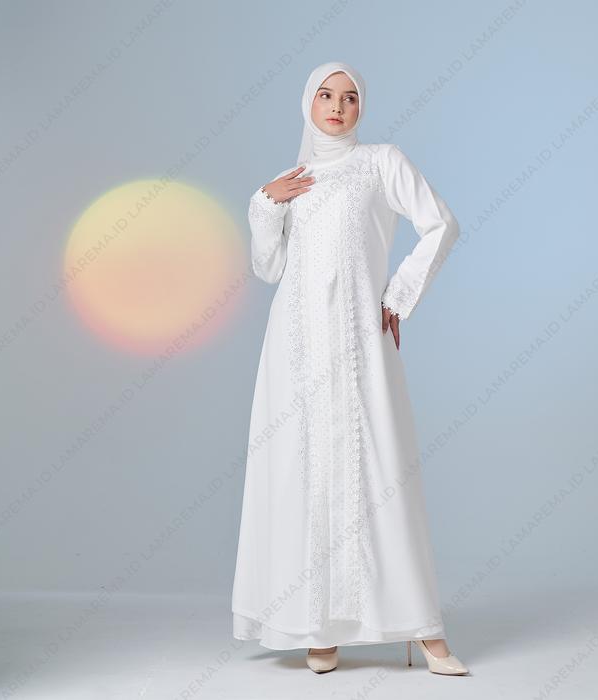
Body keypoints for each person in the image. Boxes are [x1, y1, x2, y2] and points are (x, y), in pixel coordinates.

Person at [232, 61, 469, 676]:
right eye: (325, 95)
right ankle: (321, 625)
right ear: (307, 104)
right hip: (295, 345)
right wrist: (264, 203)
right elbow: (268, 267)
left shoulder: (381, 162)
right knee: (304, 467)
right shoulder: (292, 180)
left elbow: (441, 224)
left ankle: (422, 627)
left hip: (359, 336)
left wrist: (398, 295)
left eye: (350, 97)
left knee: (378, 463)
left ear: (362, 107)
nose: (337, 107)